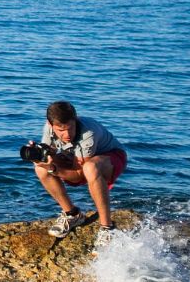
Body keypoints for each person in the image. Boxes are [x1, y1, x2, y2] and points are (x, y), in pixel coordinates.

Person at [34, 100, 127, 238]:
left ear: (75, 120)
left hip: (112, 159)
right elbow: (52, 152)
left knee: (90, 168)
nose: (67, 135)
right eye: (61, 130)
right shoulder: (48, 128)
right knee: (40, 168)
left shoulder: (88, 132)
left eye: (70, 128)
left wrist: (54, 169)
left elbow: (78, 176)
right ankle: (72, 214)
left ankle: (107, 227)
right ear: (50, 124)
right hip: (76, 158)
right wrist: (39, 155)